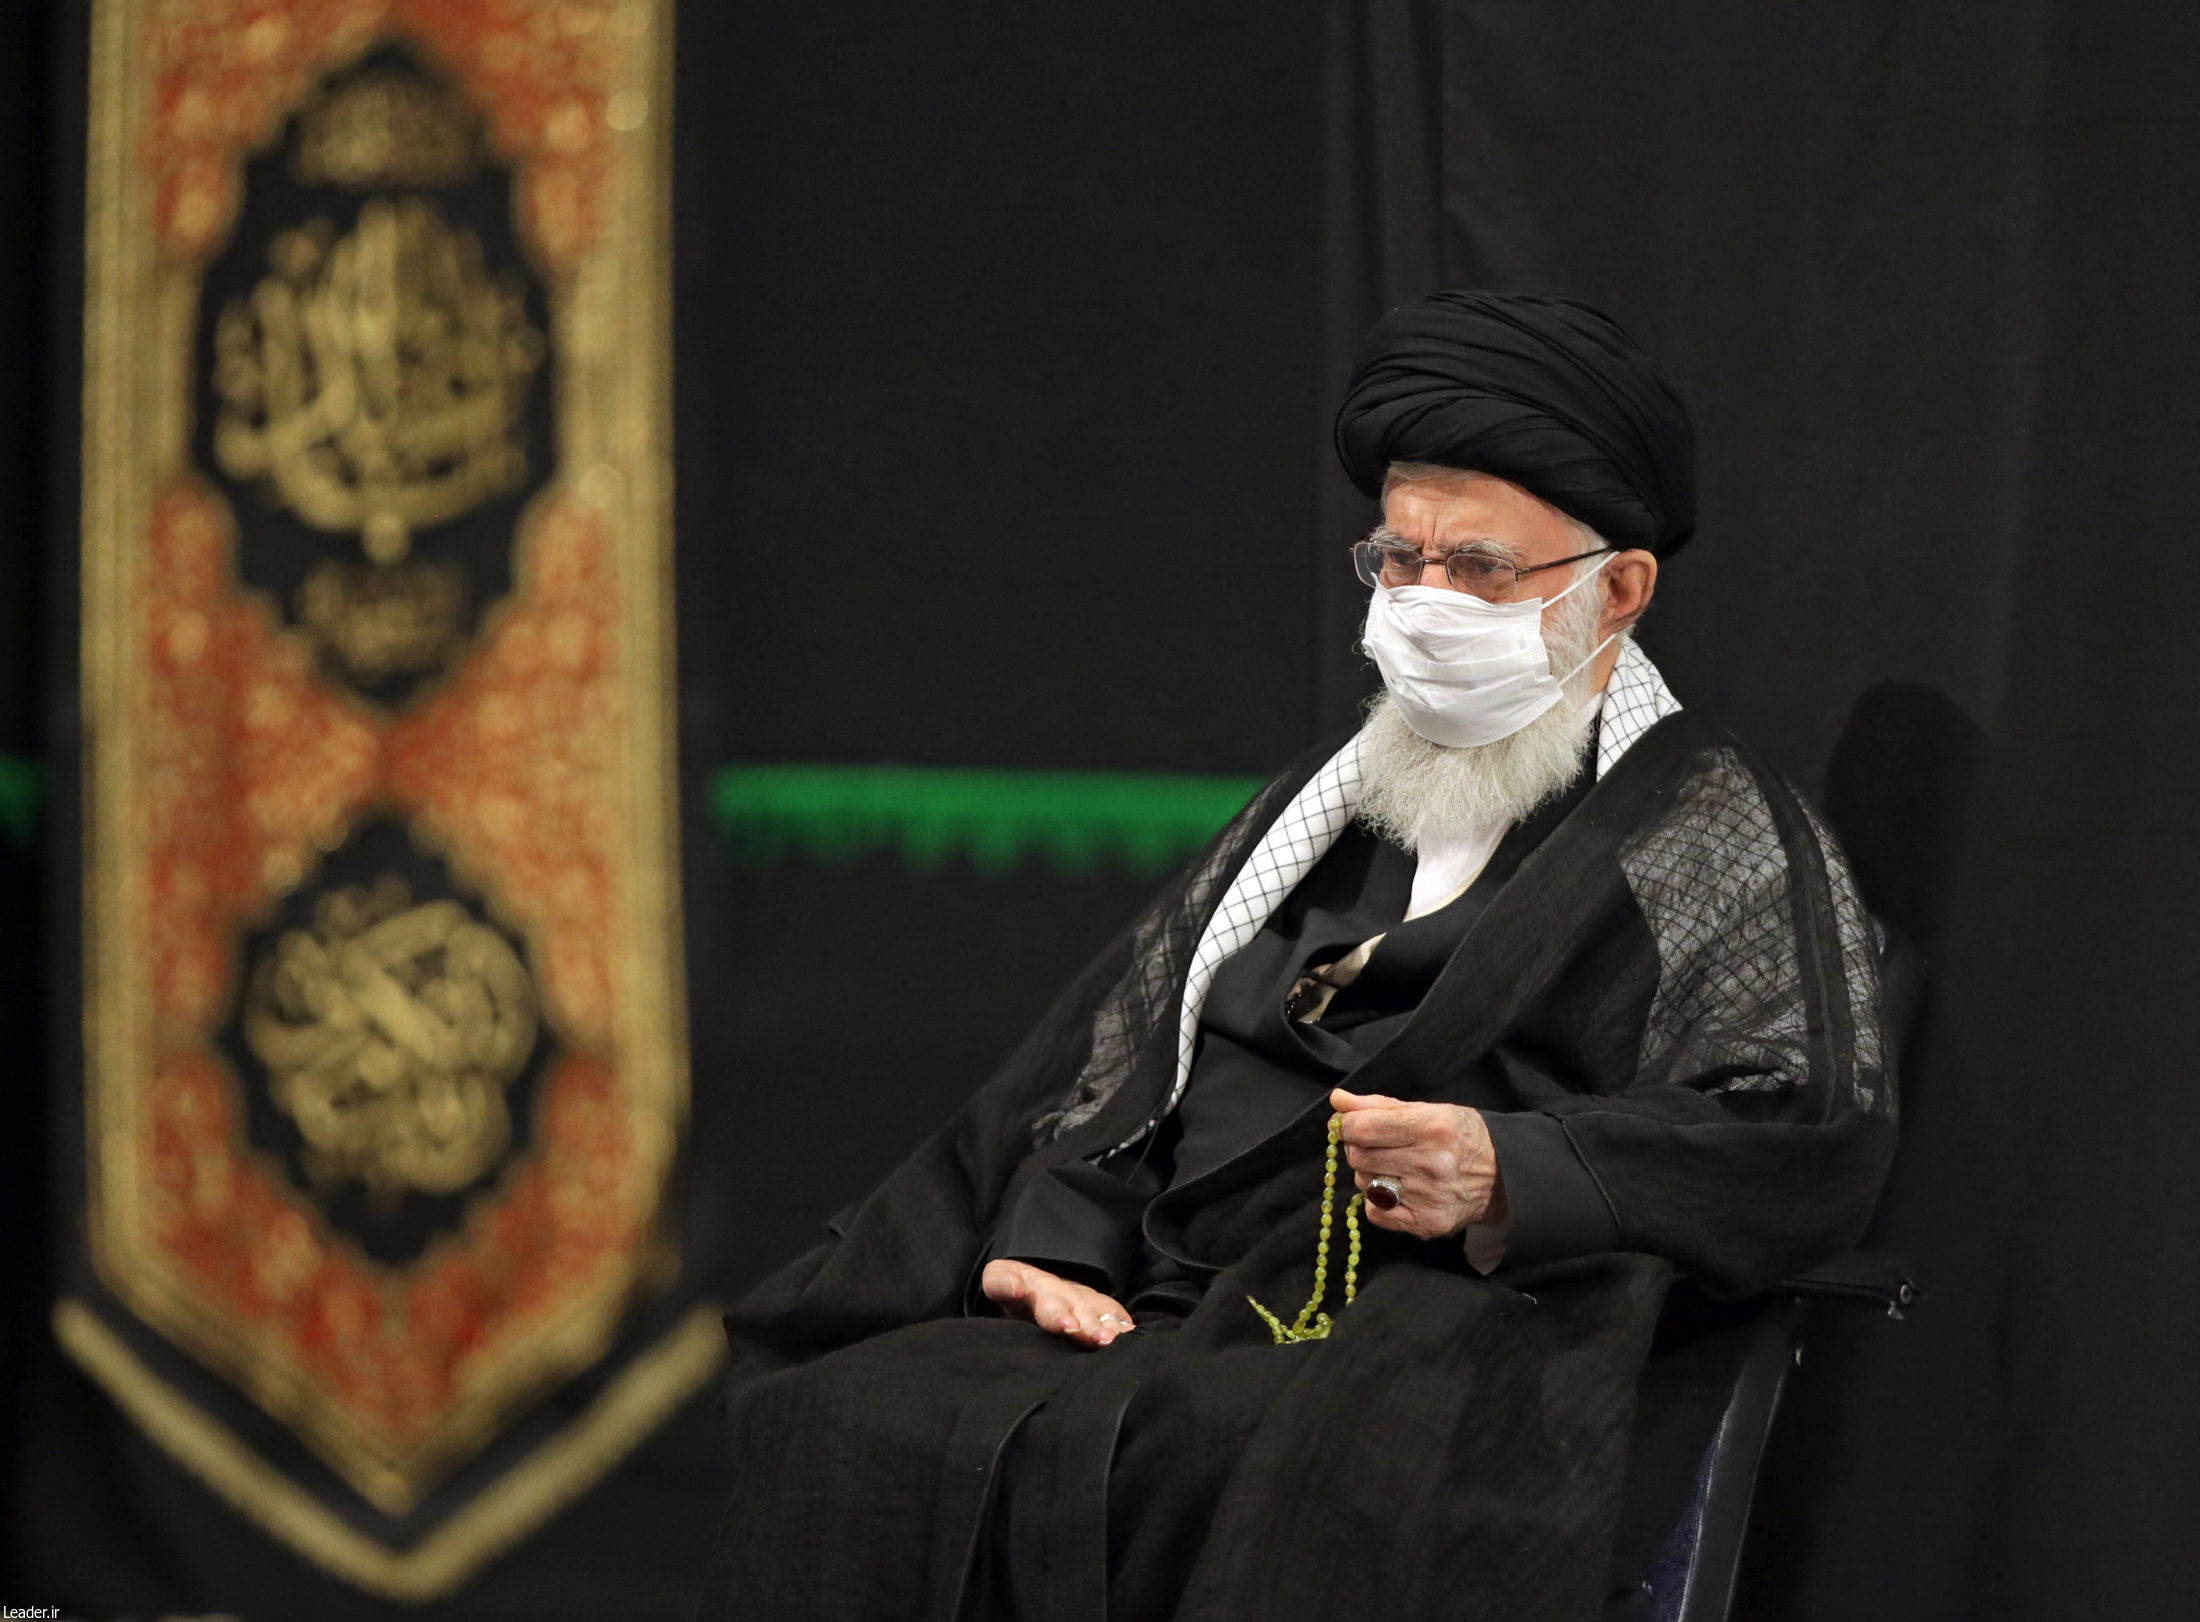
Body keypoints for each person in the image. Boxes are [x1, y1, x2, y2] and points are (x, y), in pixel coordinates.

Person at [695, 291, 1895, 1622]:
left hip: (1424, 1326)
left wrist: (1513, 1170)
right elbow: (1127, 1050)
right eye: (1399, 560)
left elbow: (1801, 1127)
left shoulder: (1705, 826)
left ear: (1617, 588)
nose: (1426, 603)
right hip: (1169, 1288)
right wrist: (1060, 1238)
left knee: (1238, 1464)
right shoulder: (1324, 800)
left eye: (1479, 568)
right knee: (848, 1417)